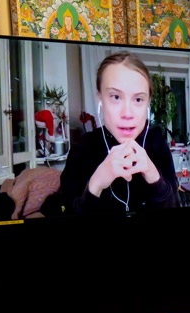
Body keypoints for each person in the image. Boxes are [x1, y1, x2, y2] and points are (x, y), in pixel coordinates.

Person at [59, 51, 179, 215]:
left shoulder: (157, 143)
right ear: (100, 98)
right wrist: (96, 183)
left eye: (138, 99)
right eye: (115, 97)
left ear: (148, 103)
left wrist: (153, 175)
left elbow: (175, 205)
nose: (127, 113)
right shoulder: (83, 147)